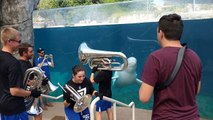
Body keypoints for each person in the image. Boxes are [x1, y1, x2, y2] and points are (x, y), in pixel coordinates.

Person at [139, 13, 202, 120]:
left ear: (161, 33)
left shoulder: (155, 58)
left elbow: (144, 97)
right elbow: (196, 90)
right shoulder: (195, 56)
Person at [0, 27, 41, 120]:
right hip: (15, 108)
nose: (20, 44)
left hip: (3, 106)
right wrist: (31, 93)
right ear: (9, 41)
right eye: (19, 41)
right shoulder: (13, 62)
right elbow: (14, 91)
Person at [18, 43, 42, 120]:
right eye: (30, 51)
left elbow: (32, 76)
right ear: (24, 53)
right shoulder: (19, 64)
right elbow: (26, 81)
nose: (33, 53)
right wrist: (37, 82)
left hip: (32, 92)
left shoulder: (28, 62)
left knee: (38, 112)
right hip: (26, 95)